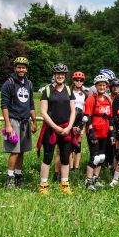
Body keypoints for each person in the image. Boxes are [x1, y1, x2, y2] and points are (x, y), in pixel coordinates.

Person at [37, 63, 76, 194]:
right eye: (58, 74)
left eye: (62, 74)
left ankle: (64, 184)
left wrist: (69, 127)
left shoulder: (69, 90)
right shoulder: (46, 91)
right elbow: (43, 112)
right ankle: (43, 185)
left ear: (65, 76)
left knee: (65, 157)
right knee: (47, 157)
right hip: (50, 129)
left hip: (66, 129)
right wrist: (54, 127)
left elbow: (73, 111)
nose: (60, 76)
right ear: (54, 75)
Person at [1, 57, 37, 188]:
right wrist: (8, 125)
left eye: (23, 67)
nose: (21, 69)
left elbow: (31, 104)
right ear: (15, 68)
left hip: (25, 121)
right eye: (19, 67)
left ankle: (18, 175)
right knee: (14, 151)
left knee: (22, 151)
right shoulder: (9, 83)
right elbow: (4, 106)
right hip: (14, 120)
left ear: (26, 69)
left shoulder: (29, 84)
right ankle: (9, 178)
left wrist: (34, 122)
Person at [84, 74, 114, 191]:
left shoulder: (107, 100)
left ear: (107, 87)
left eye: (104, 85)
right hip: (94, 132)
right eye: (100, 85)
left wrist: (112, 134)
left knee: (102, 157)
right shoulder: (92, 98)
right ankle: (88, 180)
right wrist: (91, 131)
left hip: (105, 132)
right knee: (94, 157)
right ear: (96, 86)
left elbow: (110, 118)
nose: (102, 87)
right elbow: (87, 116)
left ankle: (96, 179)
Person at [69, 71, 87, 172]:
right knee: (70, 144)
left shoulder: (84, 94)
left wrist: (81, 124)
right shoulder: (69, 92)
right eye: (77, 80)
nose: (79, 82)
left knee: (78, 145)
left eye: (81, 80)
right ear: (73, 81)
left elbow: (85, 109)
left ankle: (76, 167)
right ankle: (70, 167)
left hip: (80, 120)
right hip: (71, 119)